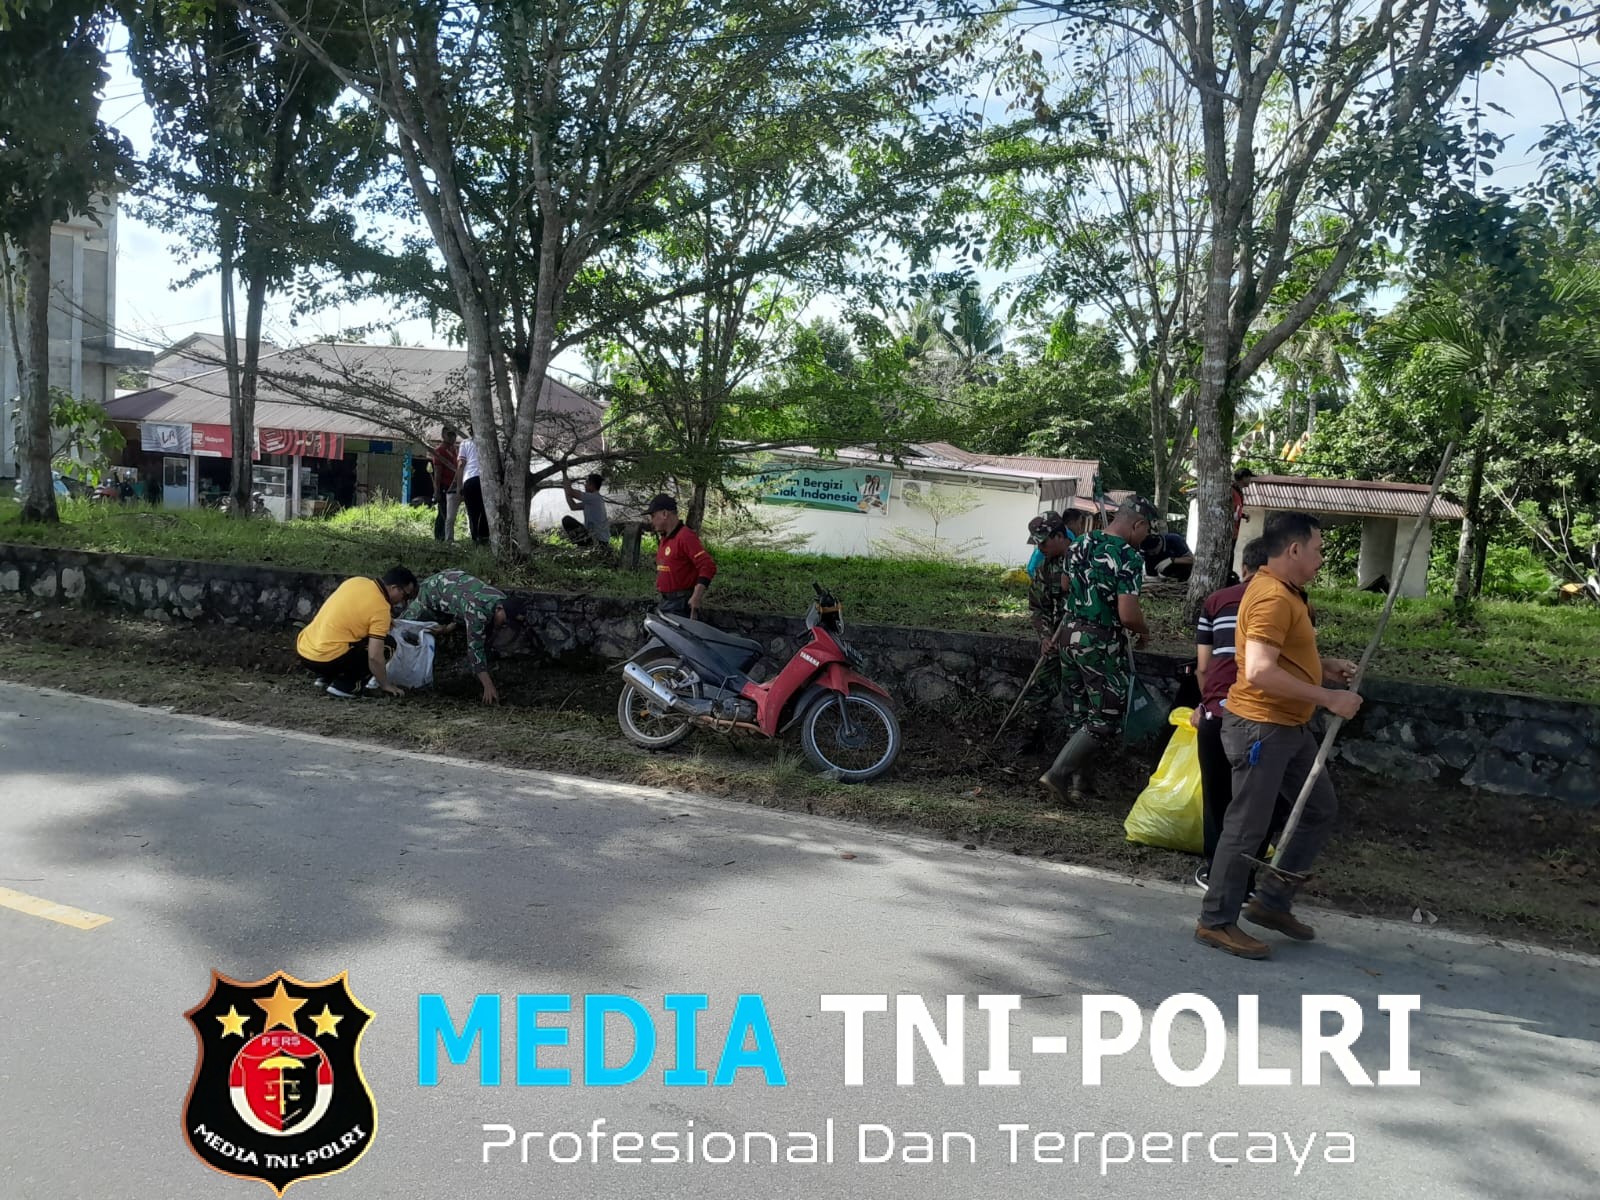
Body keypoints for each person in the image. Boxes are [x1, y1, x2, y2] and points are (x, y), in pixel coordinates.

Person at [1196, 512, 1361, 961]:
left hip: (1288, 726)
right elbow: (1259, 671)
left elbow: (1277, 656)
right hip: (1261, 727)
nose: (1321, 559)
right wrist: (1328, 697)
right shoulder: (1271, 598)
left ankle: (1271, 901)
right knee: (1246, 826)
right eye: (1318, 549)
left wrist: (1322, 666)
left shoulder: (1288, 594)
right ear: (1294, 549)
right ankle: (1215, 921)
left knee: (1318, 809)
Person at [1038, 497, 1155, 802]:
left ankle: (1081, 785)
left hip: (1068, 636)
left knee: (1080, 713)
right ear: (1138, 524)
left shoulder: (1079, 543)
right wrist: (1144, 632)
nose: (1145, 537)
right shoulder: (1128, 556)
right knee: (1106, 714)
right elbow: (1128, 614)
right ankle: (1058, 773)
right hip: (1099, 641)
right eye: (1146, 531)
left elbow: (1065, 585)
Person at [1191, 537, 1270, 889]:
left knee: (1218, 797)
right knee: (1257, 800)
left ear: (1244, 568)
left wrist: (1205, 703)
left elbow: (1204, 668)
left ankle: (1215, 870)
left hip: (1218, 714)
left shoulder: (1215, 602)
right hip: (1263, 717)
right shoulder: (1293, 603)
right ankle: (1246, 875)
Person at [400, 569, 533, 705]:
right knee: (403, 626)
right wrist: (488, 686)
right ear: (499, 609)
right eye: (505, 621)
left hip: (452, 584)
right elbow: (475, 649)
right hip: (433, 590)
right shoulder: (479, 611)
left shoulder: (500, 598)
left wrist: (447, 628)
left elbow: (464, 609)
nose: (504, 625)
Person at [296, 567, 418, 699]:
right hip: (328, 659)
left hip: (305, 652)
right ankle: (346, 687)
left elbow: (350, 618)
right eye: (406, 596)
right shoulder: (381, 608)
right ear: (394, 588)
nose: (403, 601)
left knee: (347, 637)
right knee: (388, 645)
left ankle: (325, 678)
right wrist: (385, 685)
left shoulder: (356, 581)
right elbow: (374, 657)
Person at [1020, 514, 1073, 752]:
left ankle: (1075, 751)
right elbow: (1038, 608)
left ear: (1060, 537)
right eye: (1037, 543)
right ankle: (1032, 740)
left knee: (1078, 698)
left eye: (1044, 542)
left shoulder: (1085, 560)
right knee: (1039, 690)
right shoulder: (1044, 568)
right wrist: (1045, 637)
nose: (1040, 548)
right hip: (1055, 640)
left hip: (1084, 642)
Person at [647, 493, 716, 618]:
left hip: (680, 604)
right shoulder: (665, 538)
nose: (651, 521)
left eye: (653, 516)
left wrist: (696, 596)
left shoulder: (685, 536)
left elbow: (707, 565)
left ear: (664, 514)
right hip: (666, 601)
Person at [1025, 509, 1088, 578]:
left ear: (1059, 536)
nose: (1039, 548)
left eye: (1043, 543)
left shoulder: (1085, 560)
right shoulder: (1044, 566)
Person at [561, 473, 611, 549]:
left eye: (586, 483)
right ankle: (583, 545)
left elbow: (570, 492)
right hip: (596, 539)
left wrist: (564, 474)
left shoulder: (594, 498)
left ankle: (584, 546)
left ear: (592, 485)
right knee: (567, 520)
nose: (584, 485)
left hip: (598, 541)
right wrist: (566, 488)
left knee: (567, 520)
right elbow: (573, 506)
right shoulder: (592, 500)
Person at [430, 426, 461, 542]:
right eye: (450, 435)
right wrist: (436, 491)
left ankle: (445, 537)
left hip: (453, 486)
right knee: (443, 512)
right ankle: (439, 538)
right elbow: (437, 472)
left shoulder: (454, 450)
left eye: (454, 435)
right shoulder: (439, 451)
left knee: (450, 514)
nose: (452, 437)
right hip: (444, 487)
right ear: (443, 435)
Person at [458, 432, 488, 545]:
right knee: (485, 511)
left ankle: (475, 539)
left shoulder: (465, 443)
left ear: (470, 432)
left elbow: (461, 464)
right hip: (486, 480)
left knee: (472, 513)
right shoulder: (489, 442)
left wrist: (459, 486)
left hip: (469, 479)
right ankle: (484, 537)